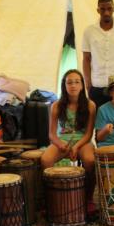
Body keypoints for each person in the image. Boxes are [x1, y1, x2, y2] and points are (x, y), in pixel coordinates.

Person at [41, 69, 97, 214]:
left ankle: (89, 198)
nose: (73, 85)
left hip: (83, 141)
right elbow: (52, 134)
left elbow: (89, 134)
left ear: (82, 85)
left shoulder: (90, 105)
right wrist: (60, 144)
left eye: (77, 82)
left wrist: (77, 147)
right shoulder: (57, 105)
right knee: (46, 159)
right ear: (64, 85)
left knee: (90, 160)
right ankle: (51, 197)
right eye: (69, 82)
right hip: (62, 140)